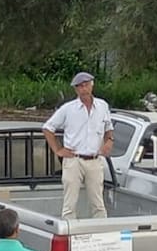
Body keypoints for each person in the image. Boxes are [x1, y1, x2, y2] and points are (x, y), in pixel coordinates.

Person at [42, 71, 114, 220]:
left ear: (92, 85)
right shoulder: (68, 109)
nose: (83, 89)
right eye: (79, 86)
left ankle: (101, 235)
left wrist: (109, 141)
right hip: (74, 159)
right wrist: (58, 149)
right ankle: (69, 236)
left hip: (94, 159)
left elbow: (108, 127)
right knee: (69, 204)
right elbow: (48, 128)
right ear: (76, 89)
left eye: (86, 85)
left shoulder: (102, 106)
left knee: (98, 203)